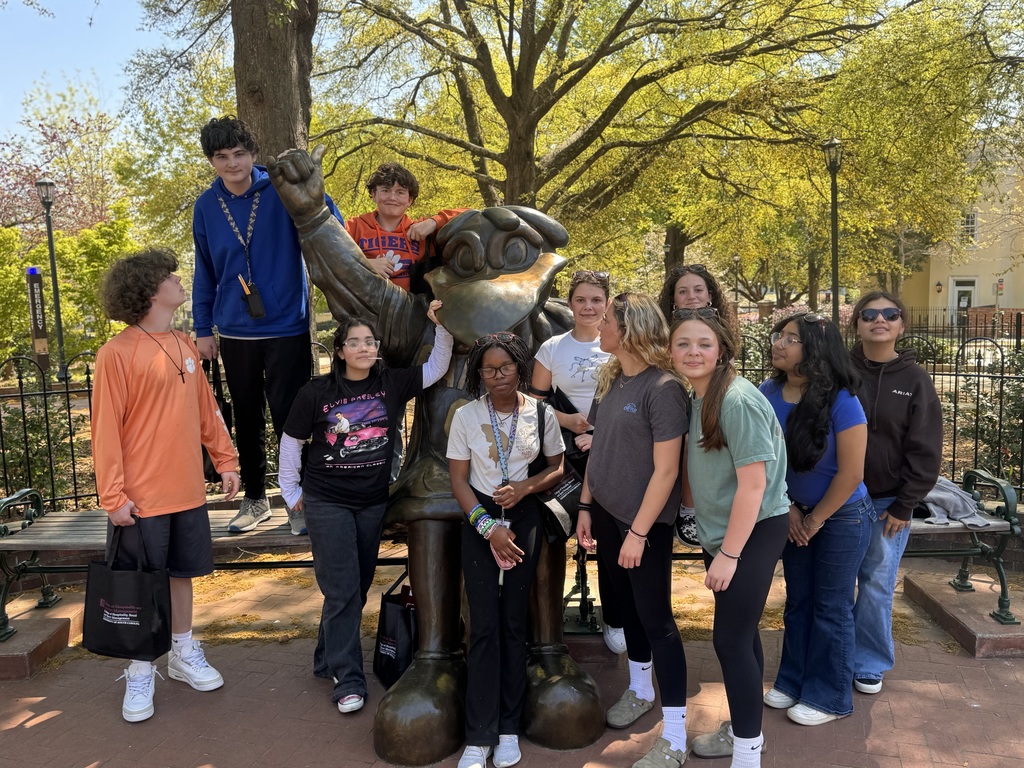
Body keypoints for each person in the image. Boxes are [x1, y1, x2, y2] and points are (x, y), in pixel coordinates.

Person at [278, 301, 452, 715]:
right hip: (326, 502)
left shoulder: (390, 383)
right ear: (339, 351)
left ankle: (326, 657)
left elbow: (436, 369)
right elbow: (292, 440)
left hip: (371, 502)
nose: (362, 347)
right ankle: (348, 679)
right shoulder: (317, 392)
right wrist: (290, 490)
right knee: (341, 592)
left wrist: (441, 327)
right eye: (353, 342)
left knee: (354, 588)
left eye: (369, 341)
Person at [91, 249, 241, 723]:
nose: (179, 280)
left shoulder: (183, 344)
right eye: (170, 276)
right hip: (140, 498)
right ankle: (139, 669)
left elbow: (207, 411)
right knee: (141, 586)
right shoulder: (115, 353)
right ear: (150, 290)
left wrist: (226, 459)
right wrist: (113, 496)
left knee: (182, 575)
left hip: (187, 492)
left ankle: (182, 651)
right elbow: (105, 430)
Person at [191, 116, 341, 536]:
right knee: (246, 417)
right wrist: (204, 328)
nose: (232, 163)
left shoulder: (279, 188)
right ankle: (255, 499)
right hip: (235, 331)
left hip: (287, 326)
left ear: (253, 155)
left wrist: (315, 186)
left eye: (239, 154)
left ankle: (297, 499)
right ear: (212, 161)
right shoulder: (206, 206)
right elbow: (204, 270)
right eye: (221, 157)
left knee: (292, 418)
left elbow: (328, 223)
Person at [669, 307, 789, 767]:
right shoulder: (698, 396)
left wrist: (730, 555)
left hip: (753, 530)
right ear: (670, 350)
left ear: (722, 350)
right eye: (683, 343)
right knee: (743, 637)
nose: (693, 351)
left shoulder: (736, 400)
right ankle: (746, 733)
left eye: (704, 343)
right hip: (723, 534)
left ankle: (747, 754)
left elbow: (754, 485)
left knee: (730, 641)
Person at [577, 292, 690, 768]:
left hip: (641, 525)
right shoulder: (612, 379)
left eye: (606, 320)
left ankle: (678, 734)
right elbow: (598, 450)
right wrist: (585, 506)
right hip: (604, 512)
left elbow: (667, 472)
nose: (598, 326)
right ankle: (640, 689)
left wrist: (639, 534)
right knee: (622, 610)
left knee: (656, 620)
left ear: (631, 330)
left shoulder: (663, 388)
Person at [448, 332, 566, 768]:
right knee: (483, 627)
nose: (498, 376)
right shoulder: (465, 416)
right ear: (479, 373)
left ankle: (509, 729)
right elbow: (458, 480)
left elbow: (556, 467)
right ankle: (479, 736)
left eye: (506, 368)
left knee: (516, 624)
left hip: (524, 519)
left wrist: (525, 488)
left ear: (519, 366)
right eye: (488, 370)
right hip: (480, 521)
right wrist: (485, 526)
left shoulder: (541, 413)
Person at [759, 312, 871, 726]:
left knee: (832, 607)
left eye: (791, 338)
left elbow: (852, 473)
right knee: (798, 603)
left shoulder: (843, 399)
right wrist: (789, 509)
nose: (779, 343)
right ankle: (792, 681)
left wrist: (815, 519)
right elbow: (766, 460)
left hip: (842, 518)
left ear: (815, 350)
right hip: (792, 513)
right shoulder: (766, 392)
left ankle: (829, 696)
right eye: (779, 335)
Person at [849, 292, 941, 695]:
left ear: (901, 325)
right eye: (869, 314)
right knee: (832, 583)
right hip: (839, 499)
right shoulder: (840, 372)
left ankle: (868, 661)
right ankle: (833, 654)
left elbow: (925, 447)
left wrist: (906, 504)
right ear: (857, 324)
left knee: (875, 583)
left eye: (890, 314)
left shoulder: (915, 380)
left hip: (888, 503)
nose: (879, 320)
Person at [530, 269, 625, 654]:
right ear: (569, 303)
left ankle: (615, 616)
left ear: (607, 304)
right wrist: (568, 420)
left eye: (597, 300)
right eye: (581, 299)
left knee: (613, 538)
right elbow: (534, 403)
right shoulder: (552, 348)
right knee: (557, 530)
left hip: (614, 450)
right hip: (567, 454)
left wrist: (599, 433)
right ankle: (546, 621)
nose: (589, 307)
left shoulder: (618, 344)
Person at [657, 263, 737, 547]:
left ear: (710, 295)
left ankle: (692, 509)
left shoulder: (721, 329)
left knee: (696, 438)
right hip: (672, 393)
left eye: (698, 290)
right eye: (683, 291)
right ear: (673, 299)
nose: (691, 296)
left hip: (707, 394)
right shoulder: (662, 331)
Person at [345, 161, 466, 292]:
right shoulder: (354, 227)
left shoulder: (422, 231)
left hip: (411, 308)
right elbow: (328, 256)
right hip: (363, 308)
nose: (392, 197)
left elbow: (474, 216)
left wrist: (434, 221)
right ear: (374, 195)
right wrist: (365, 265)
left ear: (410, 200)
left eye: (400, 192)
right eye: (385, 190)